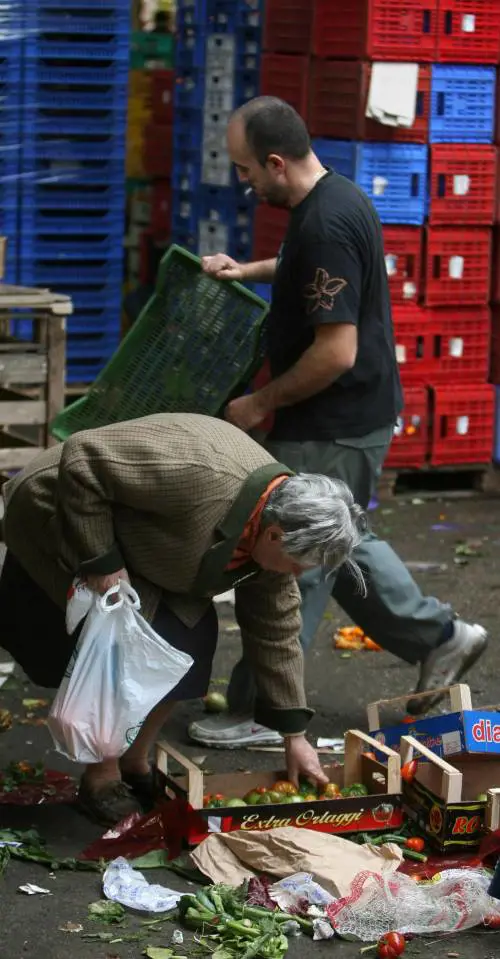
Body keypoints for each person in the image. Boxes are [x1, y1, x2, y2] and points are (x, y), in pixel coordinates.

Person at [189, 96, 487, 750]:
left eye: (245, 169)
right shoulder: (333, 197)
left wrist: (259, 404)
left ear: (275, 162)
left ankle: (266, 711)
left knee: (289, 556)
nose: (243, 182)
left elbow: (336, 351)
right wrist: (249, 270)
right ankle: (439, 636)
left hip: (334, 420)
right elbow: (314, 273)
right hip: (351, 416)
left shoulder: (323, 222)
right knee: (339, 543)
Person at [0, 412, 366, 824]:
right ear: (274, 534)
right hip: (62, 511)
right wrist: (101, 560)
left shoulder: (273, 537)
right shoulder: (199, 474)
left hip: (150, 546)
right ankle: (102, 777)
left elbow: (276, 632)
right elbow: (83, 458)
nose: (297, 575)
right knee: (131, 643)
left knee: (191, 644)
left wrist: (293, 735)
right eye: (298, 564)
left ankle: (134, 759)